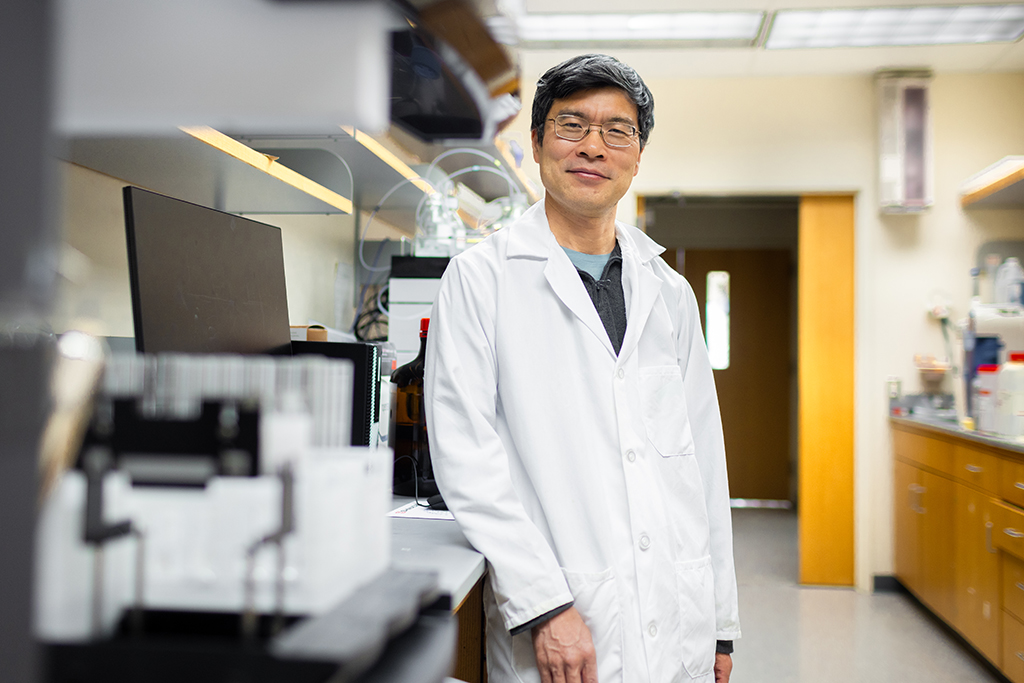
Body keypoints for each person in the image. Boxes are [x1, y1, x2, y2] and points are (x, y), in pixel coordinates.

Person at [424, 53, 740, 683]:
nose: (593, 147)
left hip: (678, 621)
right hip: (563, 623)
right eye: (572, 126)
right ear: (538, 143)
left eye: (617, 131)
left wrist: (721, 624)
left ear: (638, 155)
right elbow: (467, 458)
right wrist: (545, 604)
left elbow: (703, 462)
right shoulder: (481, 279)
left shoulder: (669, 291)